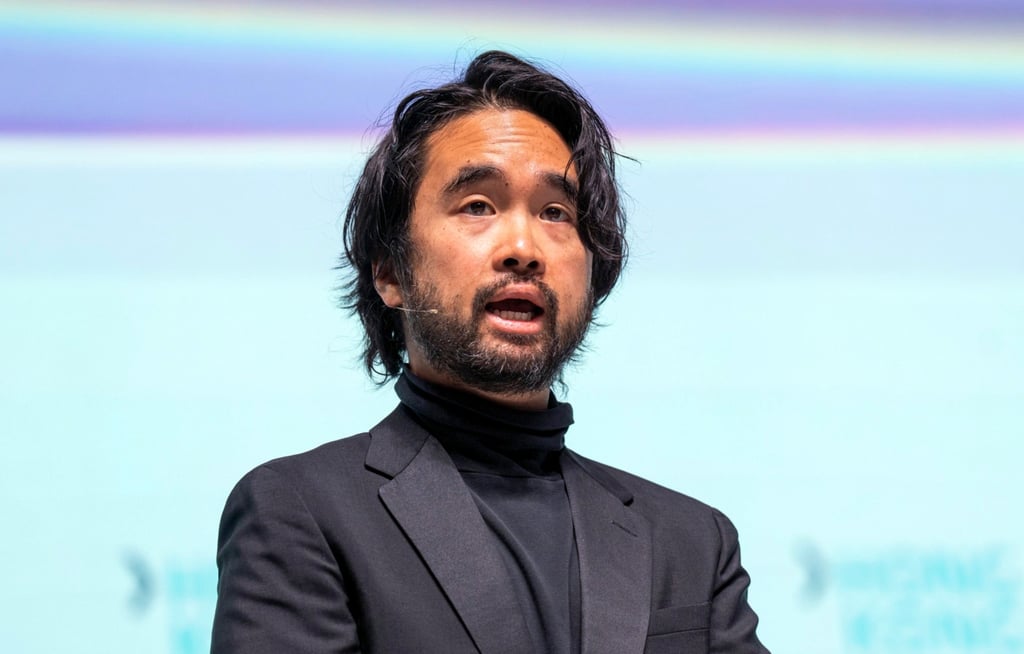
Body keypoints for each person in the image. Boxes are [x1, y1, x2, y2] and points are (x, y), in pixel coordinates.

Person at [211, 50, 768, 654]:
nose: (524, 248)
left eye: (556, 212)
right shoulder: (302, 511)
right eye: (478, 205)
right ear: (390, 271)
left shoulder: (692, 541)